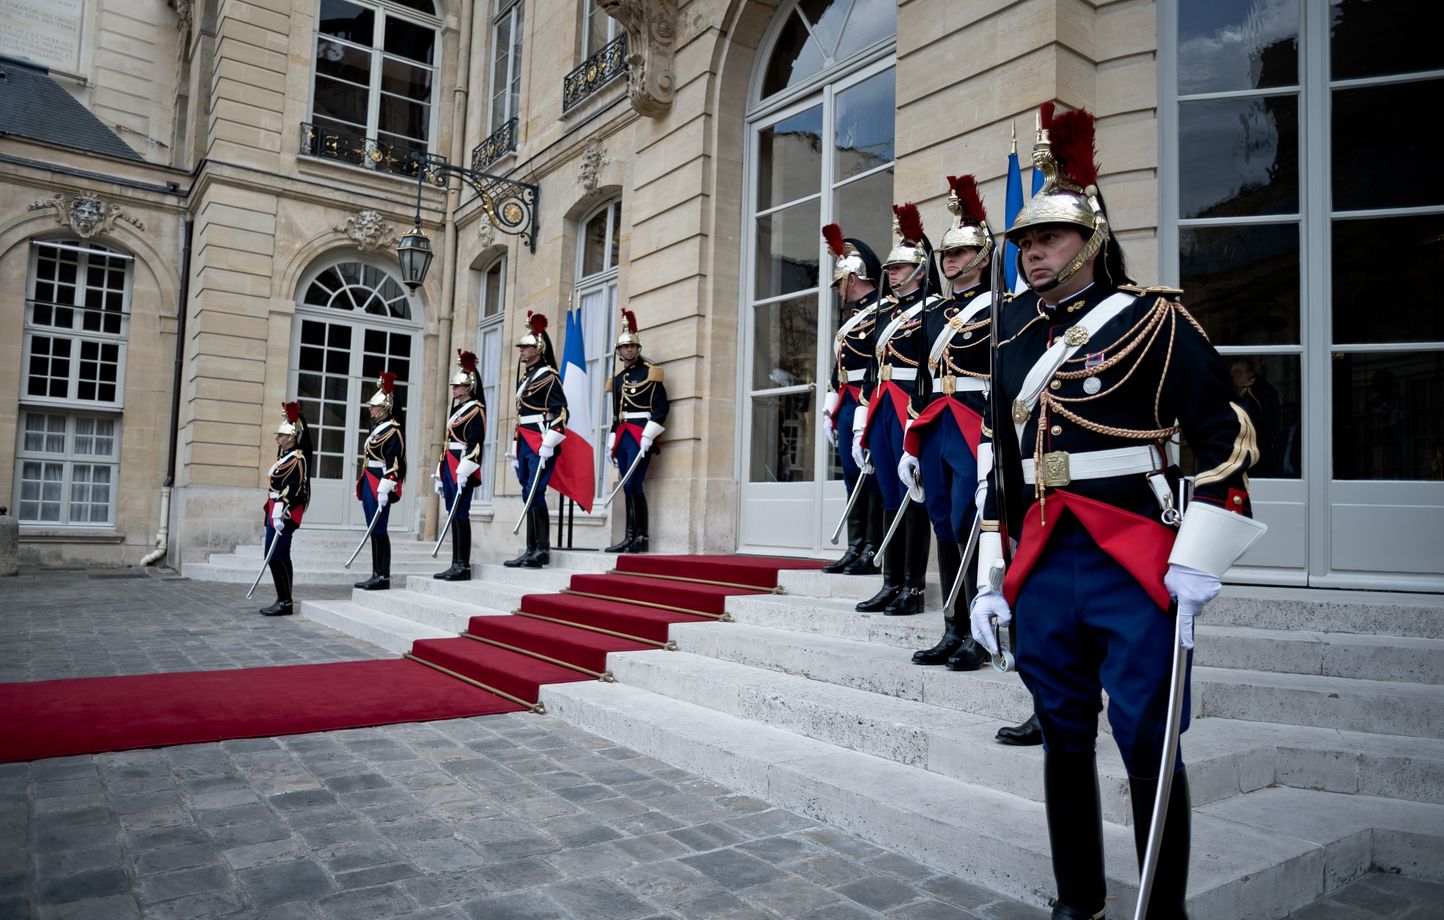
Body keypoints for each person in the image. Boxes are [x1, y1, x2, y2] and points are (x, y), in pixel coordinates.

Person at [970, 104, 1266, 920]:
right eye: (1024, 242)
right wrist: (995, 574)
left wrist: (1202, 552)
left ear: (1092, 242)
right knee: (1063, 731)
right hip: (1045, 560)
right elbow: (1005, 470)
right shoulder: (1011, 342)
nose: (1032, 253)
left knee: (1146, 740)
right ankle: (1078, 898)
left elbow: (1223, 441)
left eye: (1049, 239)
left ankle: (1160, 908)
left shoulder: (1157, 322)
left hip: (1136, 559)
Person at [899, 176, 992, 669]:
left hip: (977, 421)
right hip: (936, 421)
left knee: (969, 521)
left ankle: (981, 631)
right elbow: (921, 378)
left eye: (960, 254)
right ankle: (952, 626)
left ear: (980, 256)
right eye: (947, 255)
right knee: (941, 520)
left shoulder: (1000, 307)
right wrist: (910, 443)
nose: (950, 261)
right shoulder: (933, 312)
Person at [851, 204, 940, 616]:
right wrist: (859, 422)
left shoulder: (933, 309)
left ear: (921, 270)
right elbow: (871, 369)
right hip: (883, 404)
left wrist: (918, 413)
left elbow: (930, 367)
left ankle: (914, 587)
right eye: (890, 268)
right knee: (889, 492)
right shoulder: (885, 313)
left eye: (901, 268)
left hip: (910, 403)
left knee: (913, 494)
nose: (892, 273)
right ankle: (891, 581)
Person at [820, 224, 885, 575]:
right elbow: (840, 365)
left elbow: (879, 363)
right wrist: (832, 400)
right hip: (847, 402)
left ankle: (873, 548)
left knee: (870, 475)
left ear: (853, 277)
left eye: (839, 282)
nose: (838, 290)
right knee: (851, 474)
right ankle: (856, 545)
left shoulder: (882, 312)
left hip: (869, 401)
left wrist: (861, 404)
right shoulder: (853, 317)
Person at [506, 312, 568, 568]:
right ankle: (530, 548)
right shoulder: (525, 378)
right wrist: (513, 446)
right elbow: (519, 415)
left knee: (536, 492)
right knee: (527, 492)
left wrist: (548, 443)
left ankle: (541, 548)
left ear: (539, 349)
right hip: (524, 440)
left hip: (540, 440)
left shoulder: (549, 377)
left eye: (527, 346)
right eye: (521, 346)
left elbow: (561, 412)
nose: (522, 350)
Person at [605, 310, 669, 553]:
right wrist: (612, 439)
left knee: (634, 483)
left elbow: (662, 407)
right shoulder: (619, 378)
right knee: (627, 484)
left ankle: (640, 537)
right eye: (625, 347)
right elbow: (616, 412)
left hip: (640, 434)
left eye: (632, 346)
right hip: (623, 435)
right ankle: (629, 537)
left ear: (638, 348)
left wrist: (648, 435)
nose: (629, 350)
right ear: (619, 352)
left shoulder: (650, 372)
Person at [433, 350, 485, 581]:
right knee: (452, 514)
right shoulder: (456, 410)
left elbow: (476, 442)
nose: (453, 389)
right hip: (450, 463)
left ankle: (463, 564)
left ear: (469, 387)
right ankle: (455, 562)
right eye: (454, 385)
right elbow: (447, 441)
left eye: (458, 386)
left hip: (462, 465)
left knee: (461, 513)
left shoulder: (476, 410)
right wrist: (439, 469)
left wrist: (466, 468)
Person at [354, 371, 405, 590]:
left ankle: (383, 575)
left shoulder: (393, 431)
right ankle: (376, 572)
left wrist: (387, 484)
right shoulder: (376, 429)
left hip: (380, 482)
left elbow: (394, 462)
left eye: (374, 406)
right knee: (372, 528)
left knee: (379, 528)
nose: (371, 409)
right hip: (369, 479)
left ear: (385, 408)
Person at [260, 401, 312, 616]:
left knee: (276, 555)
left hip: (284, 511)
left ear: (291, 437)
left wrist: (281, 510)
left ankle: (284, 601)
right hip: (275, 508)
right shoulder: (284, 457)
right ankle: (285, 599)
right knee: (280, 555)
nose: (277, 438)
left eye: (281, 435)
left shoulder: (297, 459)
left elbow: (295, 488)